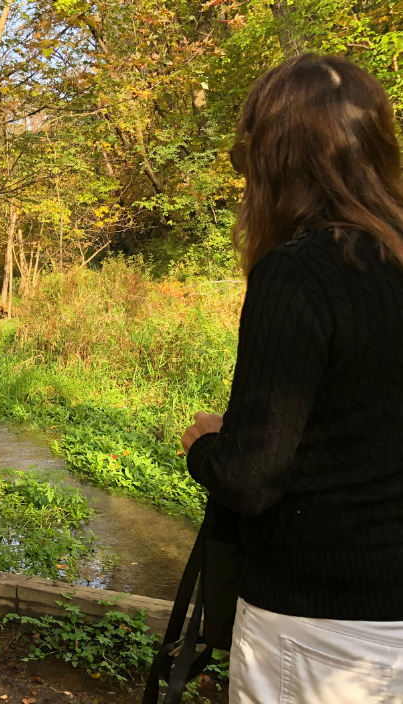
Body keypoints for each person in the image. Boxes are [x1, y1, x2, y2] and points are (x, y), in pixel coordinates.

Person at [181, 55, 403, 704]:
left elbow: (250, 477)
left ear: (276, 164)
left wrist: (205, 446)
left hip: (314, 627)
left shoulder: (300, 271)